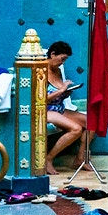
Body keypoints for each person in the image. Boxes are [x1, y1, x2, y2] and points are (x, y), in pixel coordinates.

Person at [44, 41, 87, 176]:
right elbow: (40, 99)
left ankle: (80, 159)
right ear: (52, 54)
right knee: (76, 129)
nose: (62, 63)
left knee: (91, 123)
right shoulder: (40, 71)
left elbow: (58, 93)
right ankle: (48, 159)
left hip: (59, 108)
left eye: (65, 60)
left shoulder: (57, 70)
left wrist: (65, 93)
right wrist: (61, 90)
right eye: (62, 59)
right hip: (45, 110)